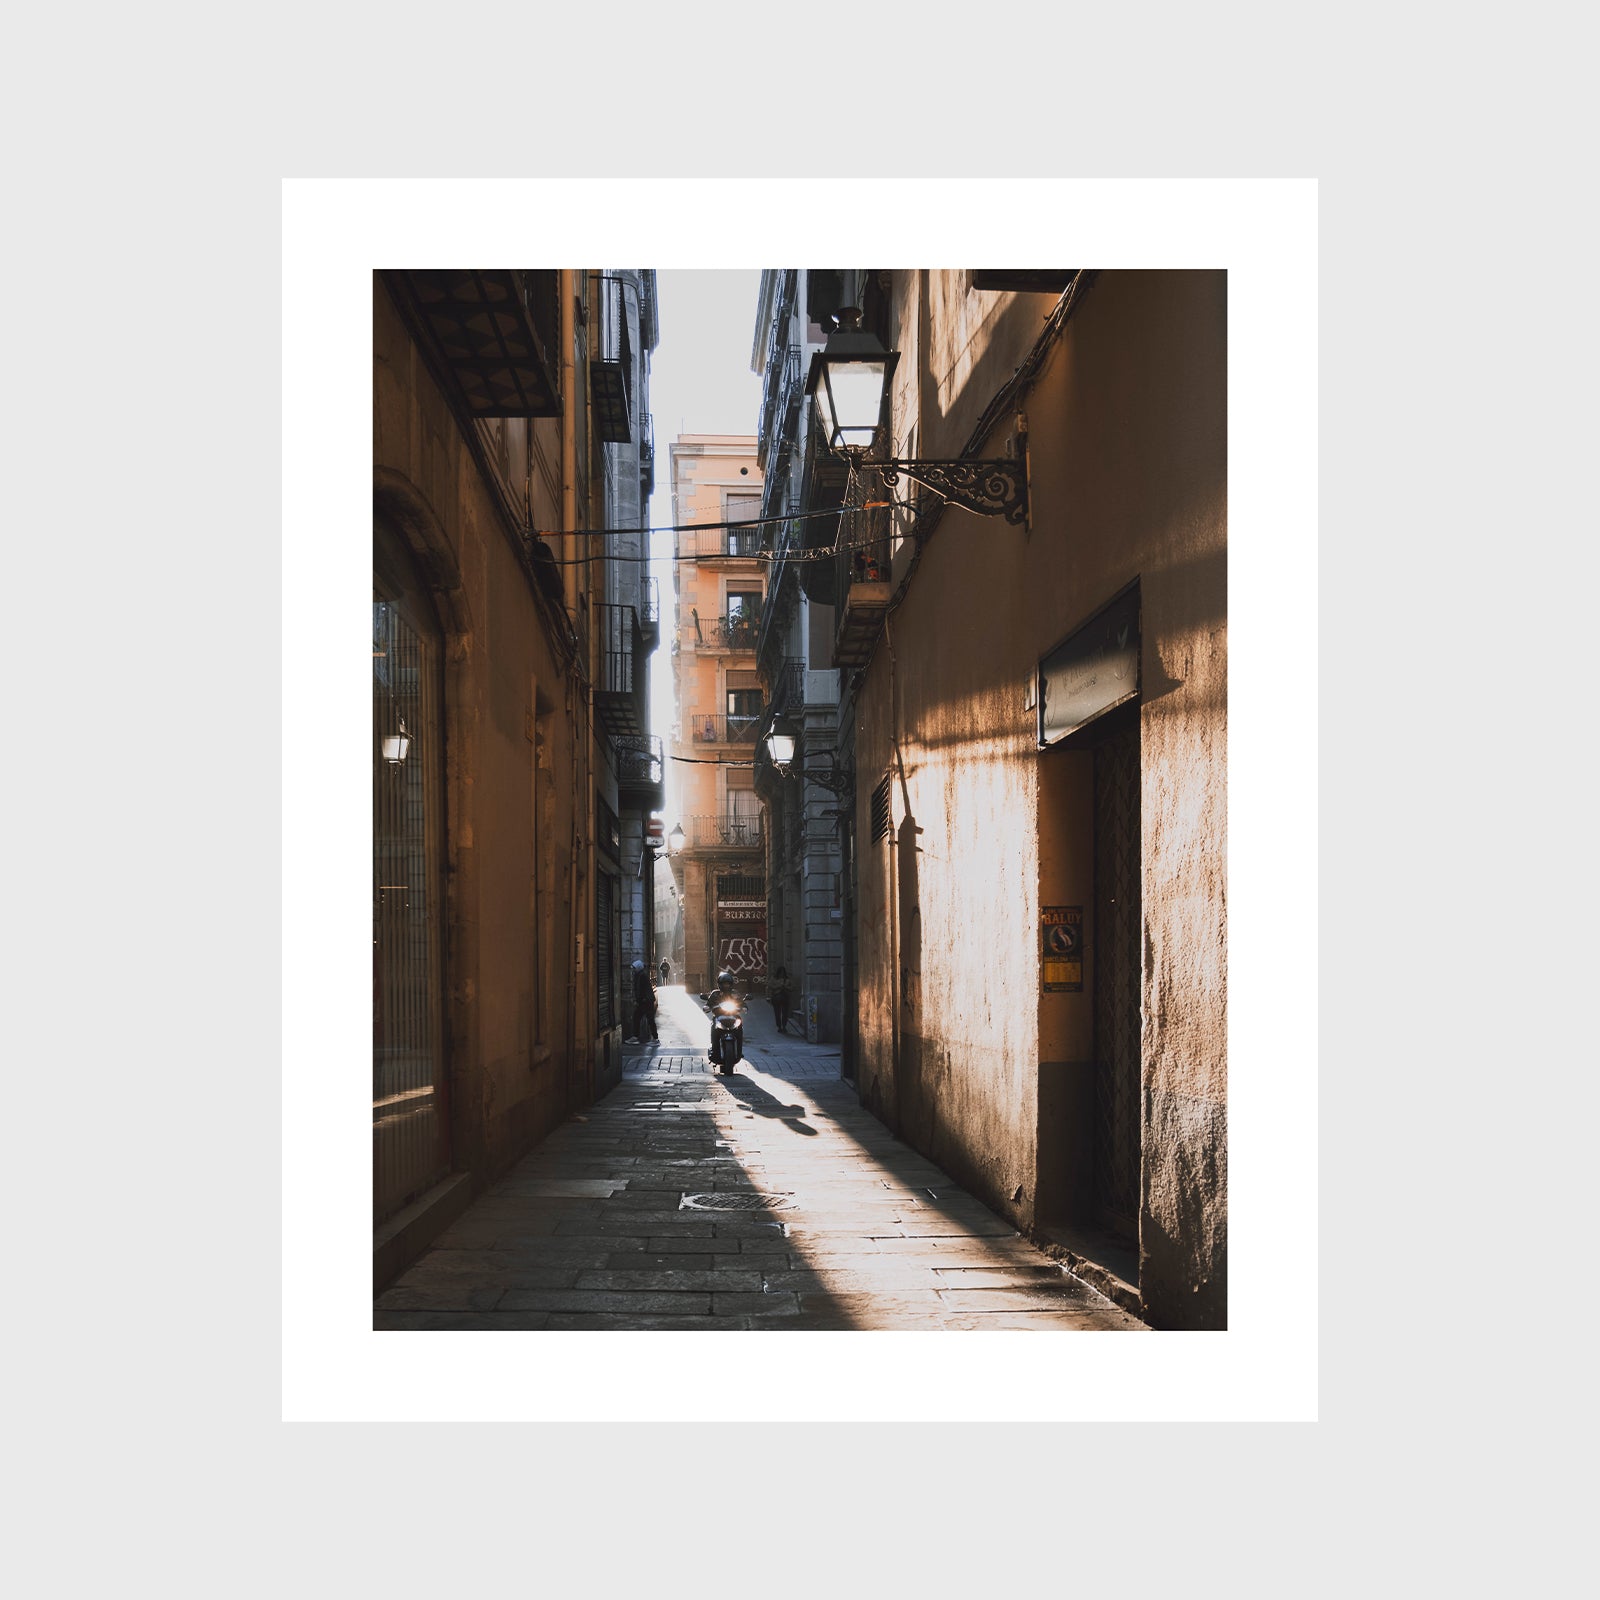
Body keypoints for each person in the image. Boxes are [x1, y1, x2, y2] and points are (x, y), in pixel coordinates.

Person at [628, 958, 658, 1045]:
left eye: (634, 968)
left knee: (647, 1019)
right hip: (645, 1001)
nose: (633, 970)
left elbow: (641, 990)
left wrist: (639, 1000)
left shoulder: (641, 976)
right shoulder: (641, 975)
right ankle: (637, 1037)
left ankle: (653, 1039)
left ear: (638, 968)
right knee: (640, 1017)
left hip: (646, 1001)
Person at [770, 964, 792, 1035]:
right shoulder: (773, 979)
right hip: (776, 998)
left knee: (785, 1013)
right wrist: (779, 986)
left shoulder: (787, 980)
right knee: (777, 1013)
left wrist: (785, 987)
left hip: (785, 998)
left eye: (783, 972)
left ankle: (784, 1026)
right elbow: (770, 986)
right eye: (781, 972)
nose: (782, 974)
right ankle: (779, 1026)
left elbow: (792, 988)